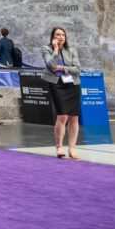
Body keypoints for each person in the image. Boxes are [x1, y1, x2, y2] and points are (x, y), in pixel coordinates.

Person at [42, 27, 82, 159]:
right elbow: (51, 64)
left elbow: (77, 69)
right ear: (53, 37)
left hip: (72, 84)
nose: (61, 37)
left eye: (63, 35)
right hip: (57, 84)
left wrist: (62, 68)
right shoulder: (46, 49)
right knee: (62, 116)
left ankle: (72, 148)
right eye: (58, 35)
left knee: (74, 117)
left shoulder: (72, 50)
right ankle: (59, 146)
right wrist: (55, 50)